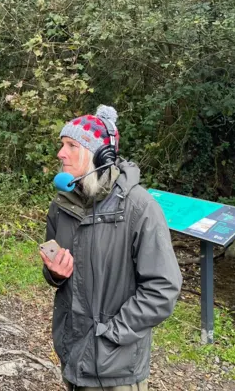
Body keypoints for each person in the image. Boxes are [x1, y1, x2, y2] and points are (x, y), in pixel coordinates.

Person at [40, 105, 182, 391]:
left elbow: (163, 288)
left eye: (71, 145)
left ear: (99, 155)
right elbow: (57, 276)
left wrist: (110, 335)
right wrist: (55, 273)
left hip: (115, 366)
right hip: (71, 353)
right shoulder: (61, 205)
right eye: (61, 145)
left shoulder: (139, 208)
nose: (60, 153)